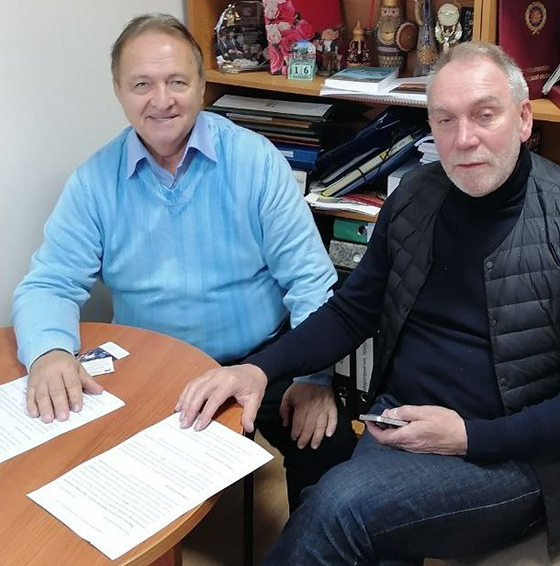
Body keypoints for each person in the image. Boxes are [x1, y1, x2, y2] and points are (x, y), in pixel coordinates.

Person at [176, 41, 560, 564]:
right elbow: (351, 311)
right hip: (402, 424)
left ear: (524, 119)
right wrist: (259, 369)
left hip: (521, 460)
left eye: (485, 115)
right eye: (445, 120)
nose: (464, 139)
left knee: (339, 508)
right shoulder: (415, 195)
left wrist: (468, 437)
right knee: (361, 530)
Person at [12, 13, 356, 513]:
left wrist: (313, 378)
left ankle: (306, 543)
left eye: (177, 82)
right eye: (142, 84)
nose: (162, 100)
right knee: (79, 461)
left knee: (330, 452)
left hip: (260, 358)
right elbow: (49, 285)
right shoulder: (93, 182)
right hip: (151, 364)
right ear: (118, 91)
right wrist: (47, 353)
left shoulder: (255, 161)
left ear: (200, 85)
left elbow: (310, 281)